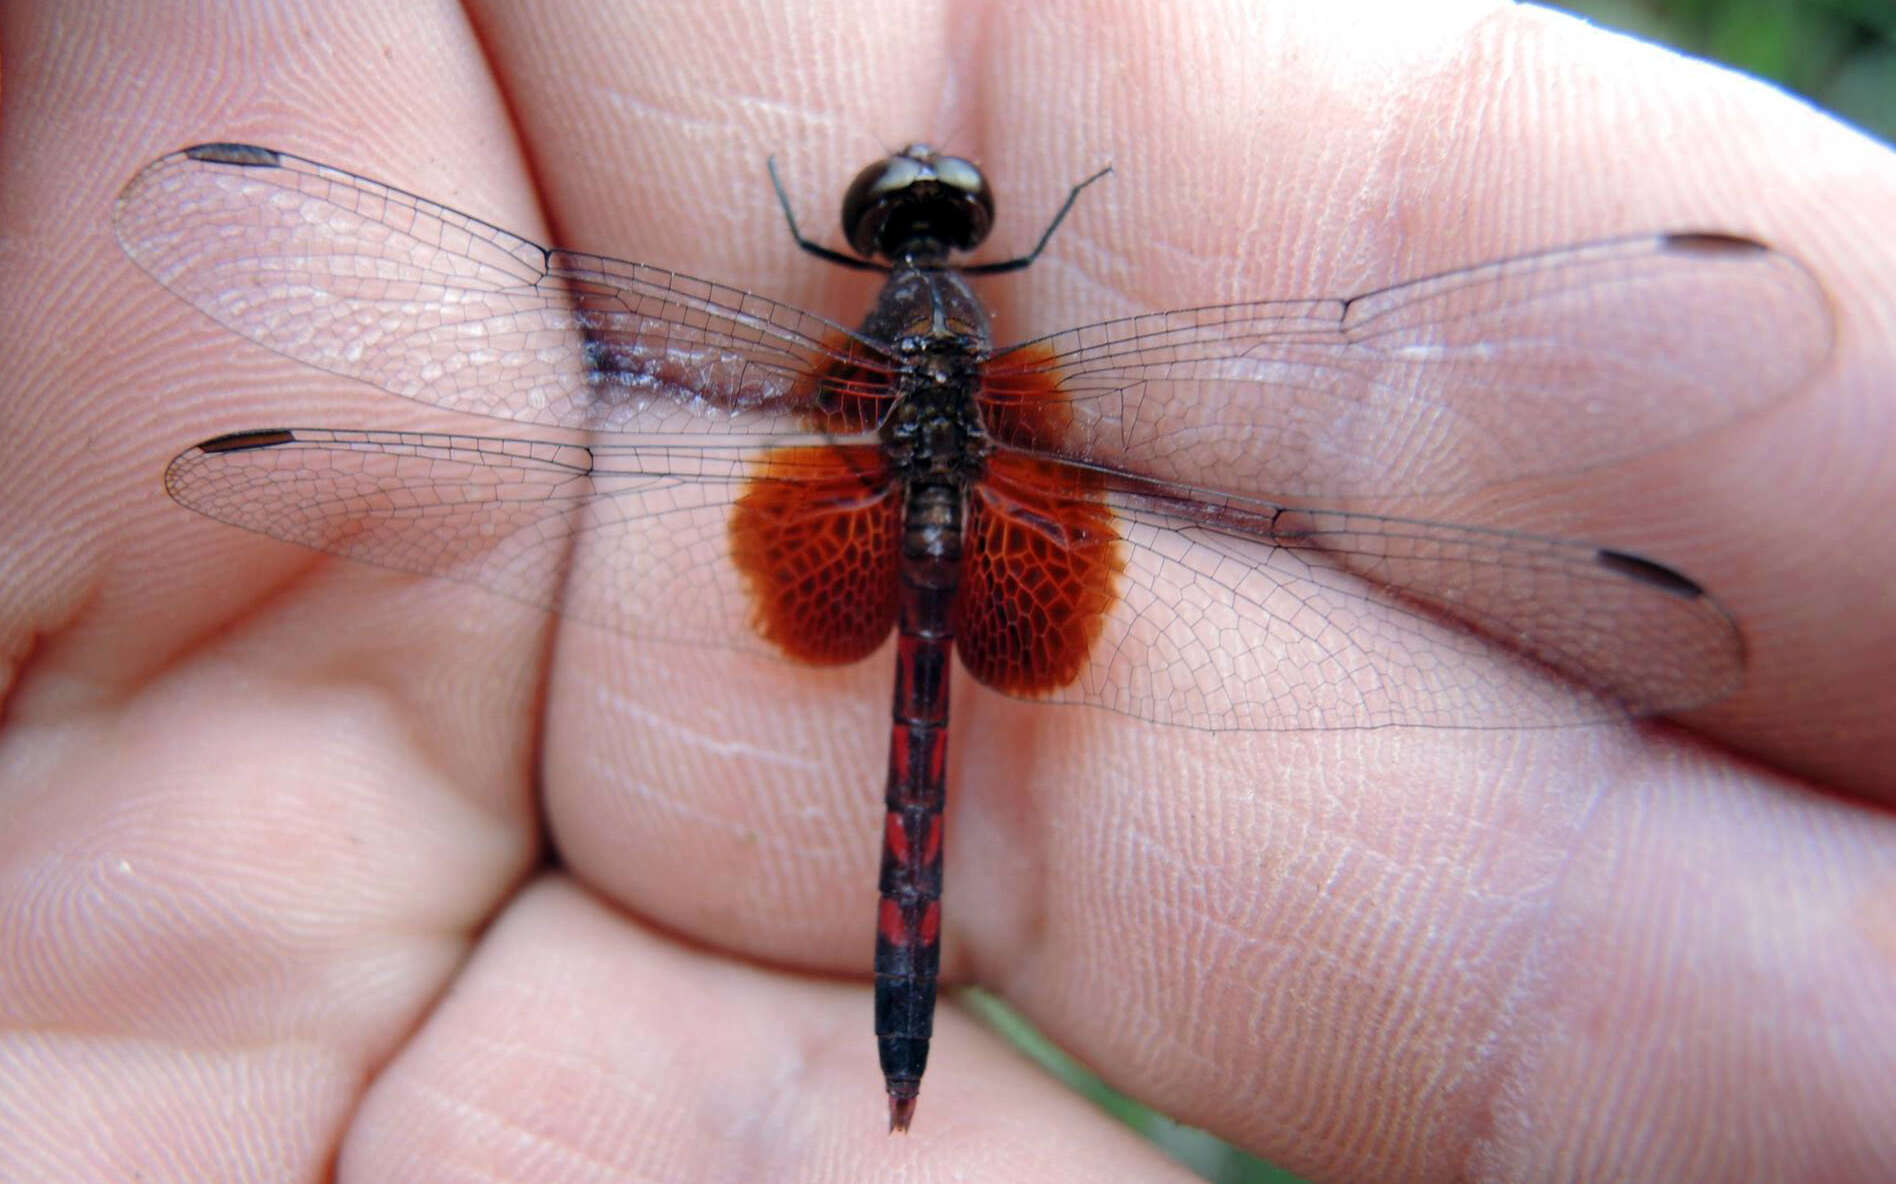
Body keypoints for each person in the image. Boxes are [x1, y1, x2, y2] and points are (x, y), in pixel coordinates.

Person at [2, 1, 1890, 1179]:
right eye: (936, 223)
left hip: (899, 533)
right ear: (963, 260)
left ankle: (900, 1005)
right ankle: (913, 1006)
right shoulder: (988, 361)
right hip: (972, 523)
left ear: (866, 254)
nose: (923, 231)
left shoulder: (848, 345)